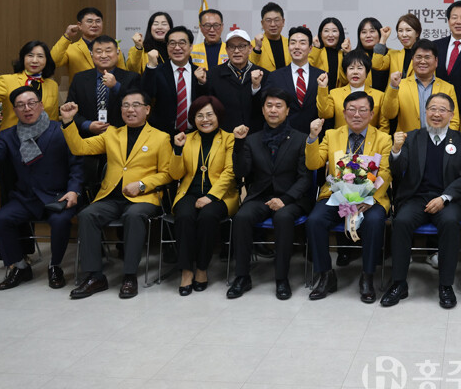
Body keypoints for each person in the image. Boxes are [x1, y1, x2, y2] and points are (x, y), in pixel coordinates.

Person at [60, 90, 173, 299]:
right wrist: (68, 122)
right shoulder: (112, 134)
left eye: (136, 105)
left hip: (143, 198)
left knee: (133, 215)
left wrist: (141, 185)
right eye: (126, 105)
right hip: (111, 196)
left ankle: (129, 276)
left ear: (147, 109)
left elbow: (167, 174)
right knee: (87, 214)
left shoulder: (161, 137)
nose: (130, 110)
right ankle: (95, 276)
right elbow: (79, 148)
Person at [0, 87, 82, 290]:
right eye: (20, 105)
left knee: (60, 221)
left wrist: (74, 190)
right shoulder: (8, 135)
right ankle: (20, 266)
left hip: (58, 196)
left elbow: (77, 164)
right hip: (26, 198)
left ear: (41, 105)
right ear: (14, 110)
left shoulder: (61, 129)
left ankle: (55, 266)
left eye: (31, 103)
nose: (27, 108)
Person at [381, 93, 461, 309]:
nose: (437, 114)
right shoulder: (412, 138)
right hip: (416, 197)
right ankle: (399, 283)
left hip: (447, 199)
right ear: (425, 112)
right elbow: (397, 171)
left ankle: (446, 285)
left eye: (442, 110)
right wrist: (395, 150)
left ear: (451, 114)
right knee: (401, 221)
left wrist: (444, 198)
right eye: (432, 109)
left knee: (450, 222)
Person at [305, 92, 392, 303]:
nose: (357, 114)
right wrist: (313, 138)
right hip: (336, 195)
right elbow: (313, 164)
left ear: (371, 114)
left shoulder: (383, 138)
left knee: (374, 221)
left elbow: (385, 172)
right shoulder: (332, 135)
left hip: (369, 199)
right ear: (344, 113)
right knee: (315, 221)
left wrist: (368, 198)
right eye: (351, 110)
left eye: (363, 110)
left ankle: (367, 276)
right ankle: (326, 274)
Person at [227, 89, 312, 300]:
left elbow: (305, 178)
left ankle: (281, 278)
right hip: (260, 196)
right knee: (242, 217)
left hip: (291, 198)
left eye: (278, 106)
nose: (273, 110)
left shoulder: (301, 139)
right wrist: (238, 143)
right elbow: (241, 172)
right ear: (263, 110)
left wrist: (285, 199)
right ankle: (242, 276)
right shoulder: (251, 140)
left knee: (283, 218)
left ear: (287, 110)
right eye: (269, 106)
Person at [168, 95, 237, 296]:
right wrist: (177, 150)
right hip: (189, 192)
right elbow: (175, 175)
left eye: (209, 115)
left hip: (220, 195)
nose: (205, 120)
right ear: (193, 118)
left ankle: (202, 268)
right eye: (199, 115)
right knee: (184, 216)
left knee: (207, 217)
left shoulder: (229, 138)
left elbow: (230, 172)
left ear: (218, 116)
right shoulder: (186, 138)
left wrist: (211, 197)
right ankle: (186, 271)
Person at [0, 40, 60, 133]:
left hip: (43, 139)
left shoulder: (52, 85)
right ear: (23, 58)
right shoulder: (7, 81)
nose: (34, 60)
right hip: (11, 138)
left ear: (46, 60)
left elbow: (53, 118)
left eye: (40, 56)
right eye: (30, 55)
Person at [65, 36, 141, 137]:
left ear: (117, 53)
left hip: (122, 137)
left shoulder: (132, 78)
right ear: (92, 55)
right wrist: (87, 125)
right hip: (87, 138)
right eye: (99, 51)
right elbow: (69, 109)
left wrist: (116, 86)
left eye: (108, 51)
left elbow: (137, 108)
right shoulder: (79, 78)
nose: (104, 55)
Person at [381, 39, 459, 133]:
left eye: (427, 57)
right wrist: (393, 87)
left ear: (436, 61)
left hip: (438, 140)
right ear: (412, 60)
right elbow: (388, 114)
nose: (422, 61)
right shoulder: (400, 85)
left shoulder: (448, 88)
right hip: (408, 140)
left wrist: (441, 139)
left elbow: (454, 121)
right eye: (418, 57)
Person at [141, 26, 208, 135]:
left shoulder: (200, 73)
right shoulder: (157, 71)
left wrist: (201, 83)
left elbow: (206, 103)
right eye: (172, 43)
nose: (177, 48)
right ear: (167, 46)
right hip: (163, 135)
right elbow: (145, 96)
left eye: (182, 43)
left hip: (194, 134)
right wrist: (151, 67)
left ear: (191, 47)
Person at [264, 26, 326, 133]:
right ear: (288, 47)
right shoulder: (275, 77)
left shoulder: (322, 76)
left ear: (310, 48)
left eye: (302, 43)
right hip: (283, 135)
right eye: (293, 43)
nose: (297, 47)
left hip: (315, 134)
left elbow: (326, 109)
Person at [204, 29, 268, 133]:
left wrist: (256, 88)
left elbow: (266, 108)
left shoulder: (264, 74)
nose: (237, 51)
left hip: (255, 136)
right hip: (224, 136)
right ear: (226, 49)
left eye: (242, 46)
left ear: (250, 48)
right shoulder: (213, 74)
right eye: (232, 46)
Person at [317, 50, 386, 130]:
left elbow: (384, 125)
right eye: (351, 68)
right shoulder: (335, 93)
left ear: (367, 72)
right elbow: (324, 114)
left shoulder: (380, 96)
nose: (355, 72)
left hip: (370, 138)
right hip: (341, 137)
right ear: (346, 72)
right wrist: (322, 88)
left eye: (360, 68)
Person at [51, 6, 126, 76]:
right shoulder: (71, 49)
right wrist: (67, 36)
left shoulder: (113, 49)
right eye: (89, 21)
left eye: (98, 21)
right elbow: (53, 62)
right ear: (79, 25)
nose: (94, 25)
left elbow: (123, 75)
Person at [373, 13, 421, 82]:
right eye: (400, 31)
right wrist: (383, 39)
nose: (404, 35)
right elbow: (376, 65)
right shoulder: (392, 54)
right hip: (393, 89)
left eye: (408, 30)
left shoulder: (425, 56)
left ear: (417, 33)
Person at [309, 16, 349, 88]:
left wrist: (347, 54)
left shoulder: (343, 54)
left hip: (338, 94)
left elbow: (346, 80)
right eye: (326, 31)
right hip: (318, 94)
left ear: (340, 33)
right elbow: (307, 71)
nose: (330, 35)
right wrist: (316, 48)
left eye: (334, 31)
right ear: (320, 34)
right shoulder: (316, 52)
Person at [250, 2, 291, 71]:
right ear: (262, 23)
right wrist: (257, 49)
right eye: (268, 20)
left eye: (276, 20)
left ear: (283, 22)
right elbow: (249, 68)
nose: (273, 24)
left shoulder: (290, 44)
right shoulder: (254, 45)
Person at [354, 16, 389, 91]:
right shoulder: (353, 56)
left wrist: (382, 42)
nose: (368, 35)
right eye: (364, 32)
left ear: (380, 34)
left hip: (387, 97)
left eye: (372, 31)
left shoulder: (390, 54)